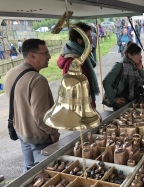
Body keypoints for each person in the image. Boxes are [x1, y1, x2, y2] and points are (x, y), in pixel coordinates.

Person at [4, 39, 60, 172]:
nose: (49, 57)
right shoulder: (37, 80)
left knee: (29, 173)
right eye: (45, 53)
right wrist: (53, 132)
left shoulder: (11, 73)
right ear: (32, 55)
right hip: (39, 138)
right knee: (45, 175)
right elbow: (40, 115)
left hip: (21, 132)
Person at [57, 22, 100, 108]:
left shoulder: (83, 56)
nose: (91, 40)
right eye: (88, 38)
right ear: (79, 41)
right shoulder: (73, 61)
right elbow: (70, 91)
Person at [103, 42, 144, 111]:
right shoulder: (119, 66)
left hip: (134, 99)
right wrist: (114, 99)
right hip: (122, 102)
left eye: (140, 54)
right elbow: (106, 82)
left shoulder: (136, 65)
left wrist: (140, 70)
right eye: (138, 54)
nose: (141, 57)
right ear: (130, 55)